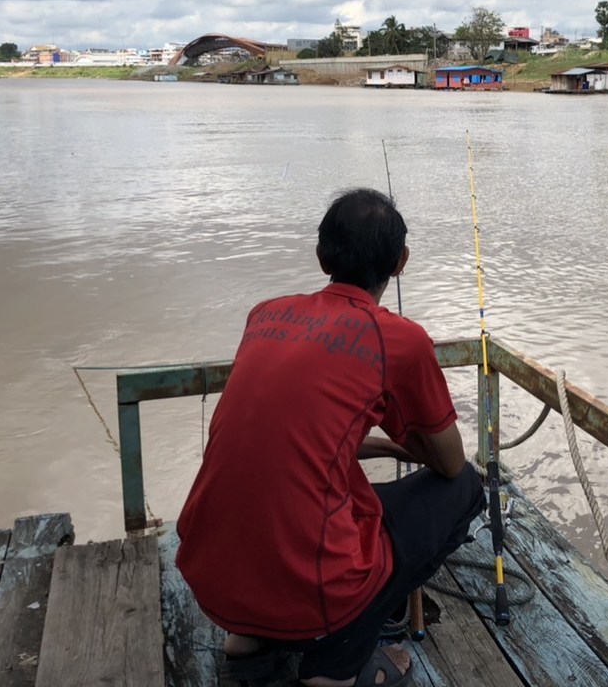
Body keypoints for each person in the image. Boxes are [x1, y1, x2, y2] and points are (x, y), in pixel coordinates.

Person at [177, 188, 485, 687]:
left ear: (322, 256)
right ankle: (339, 665)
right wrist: (403, 442)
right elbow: (450, 463)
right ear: (401, 262)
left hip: (208, 569)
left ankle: (249, 642)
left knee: (303, 499)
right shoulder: (400, 340)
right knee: (465, 489)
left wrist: (381, 444)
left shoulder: (265, 314)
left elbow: (291, 436)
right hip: (315, 586)